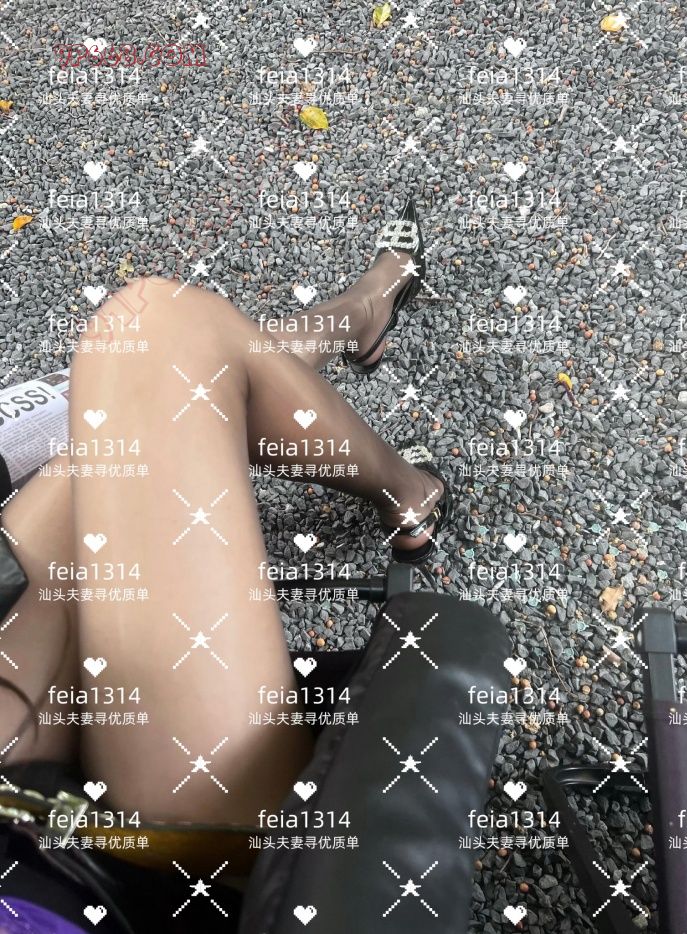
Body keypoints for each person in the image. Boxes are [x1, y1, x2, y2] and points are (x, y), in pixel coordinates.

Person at [0, 199, 452, 831]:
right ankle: (378, 380)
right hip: (80, 838)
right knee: (164, 337)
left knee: (156, 360)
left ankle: (361, 324)